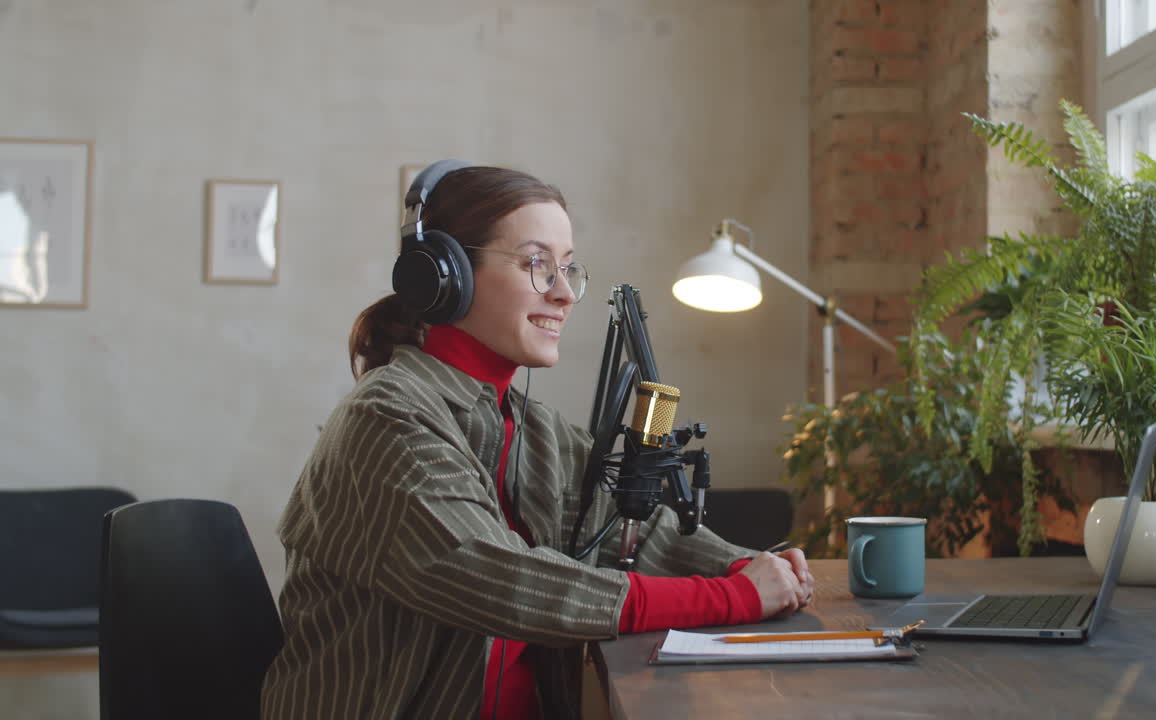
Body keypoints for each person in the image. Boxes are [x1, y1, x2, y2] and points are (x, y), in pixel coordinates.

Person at [260, 161, 815, 720]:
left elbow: (636, 532)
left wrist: (752, 568)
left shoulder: (529, 426)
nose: (564, 294)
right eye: (536, 264)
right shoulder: (386, 420)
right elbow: (505, 581)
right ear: (446, 276)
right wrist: (733, 598)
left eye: (568, 269)